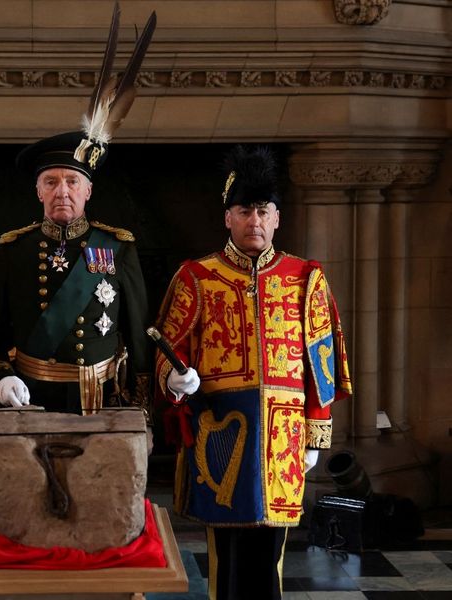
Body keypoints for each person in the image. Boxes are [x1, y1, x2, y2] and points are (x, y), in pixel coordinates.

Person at [153, 146, 352, 600]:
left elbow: (320, 363)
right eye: (245, 211)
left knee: (271, 554)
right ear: (228, 218)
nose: (254, 221)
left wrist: (315, 434)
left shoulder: (306, 277)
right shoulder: (196, 277)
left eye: (263, 211)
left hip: (283, 436)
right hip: (219, 434)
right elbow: (168, 348)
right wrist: (174, 377)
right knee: (226, 555)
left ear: (277, 217)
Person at [0, 131, 151, 417]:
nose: (62, 192)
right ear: (39, 191)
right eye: (51, 182)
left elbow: (139, 337)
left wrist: (143, 409)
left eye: (72, 181)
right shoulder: (15, 249)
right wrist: (2, 377)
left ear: (88, 190)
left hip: (101, 400)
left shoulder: (118, 247)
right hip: (32, 396)